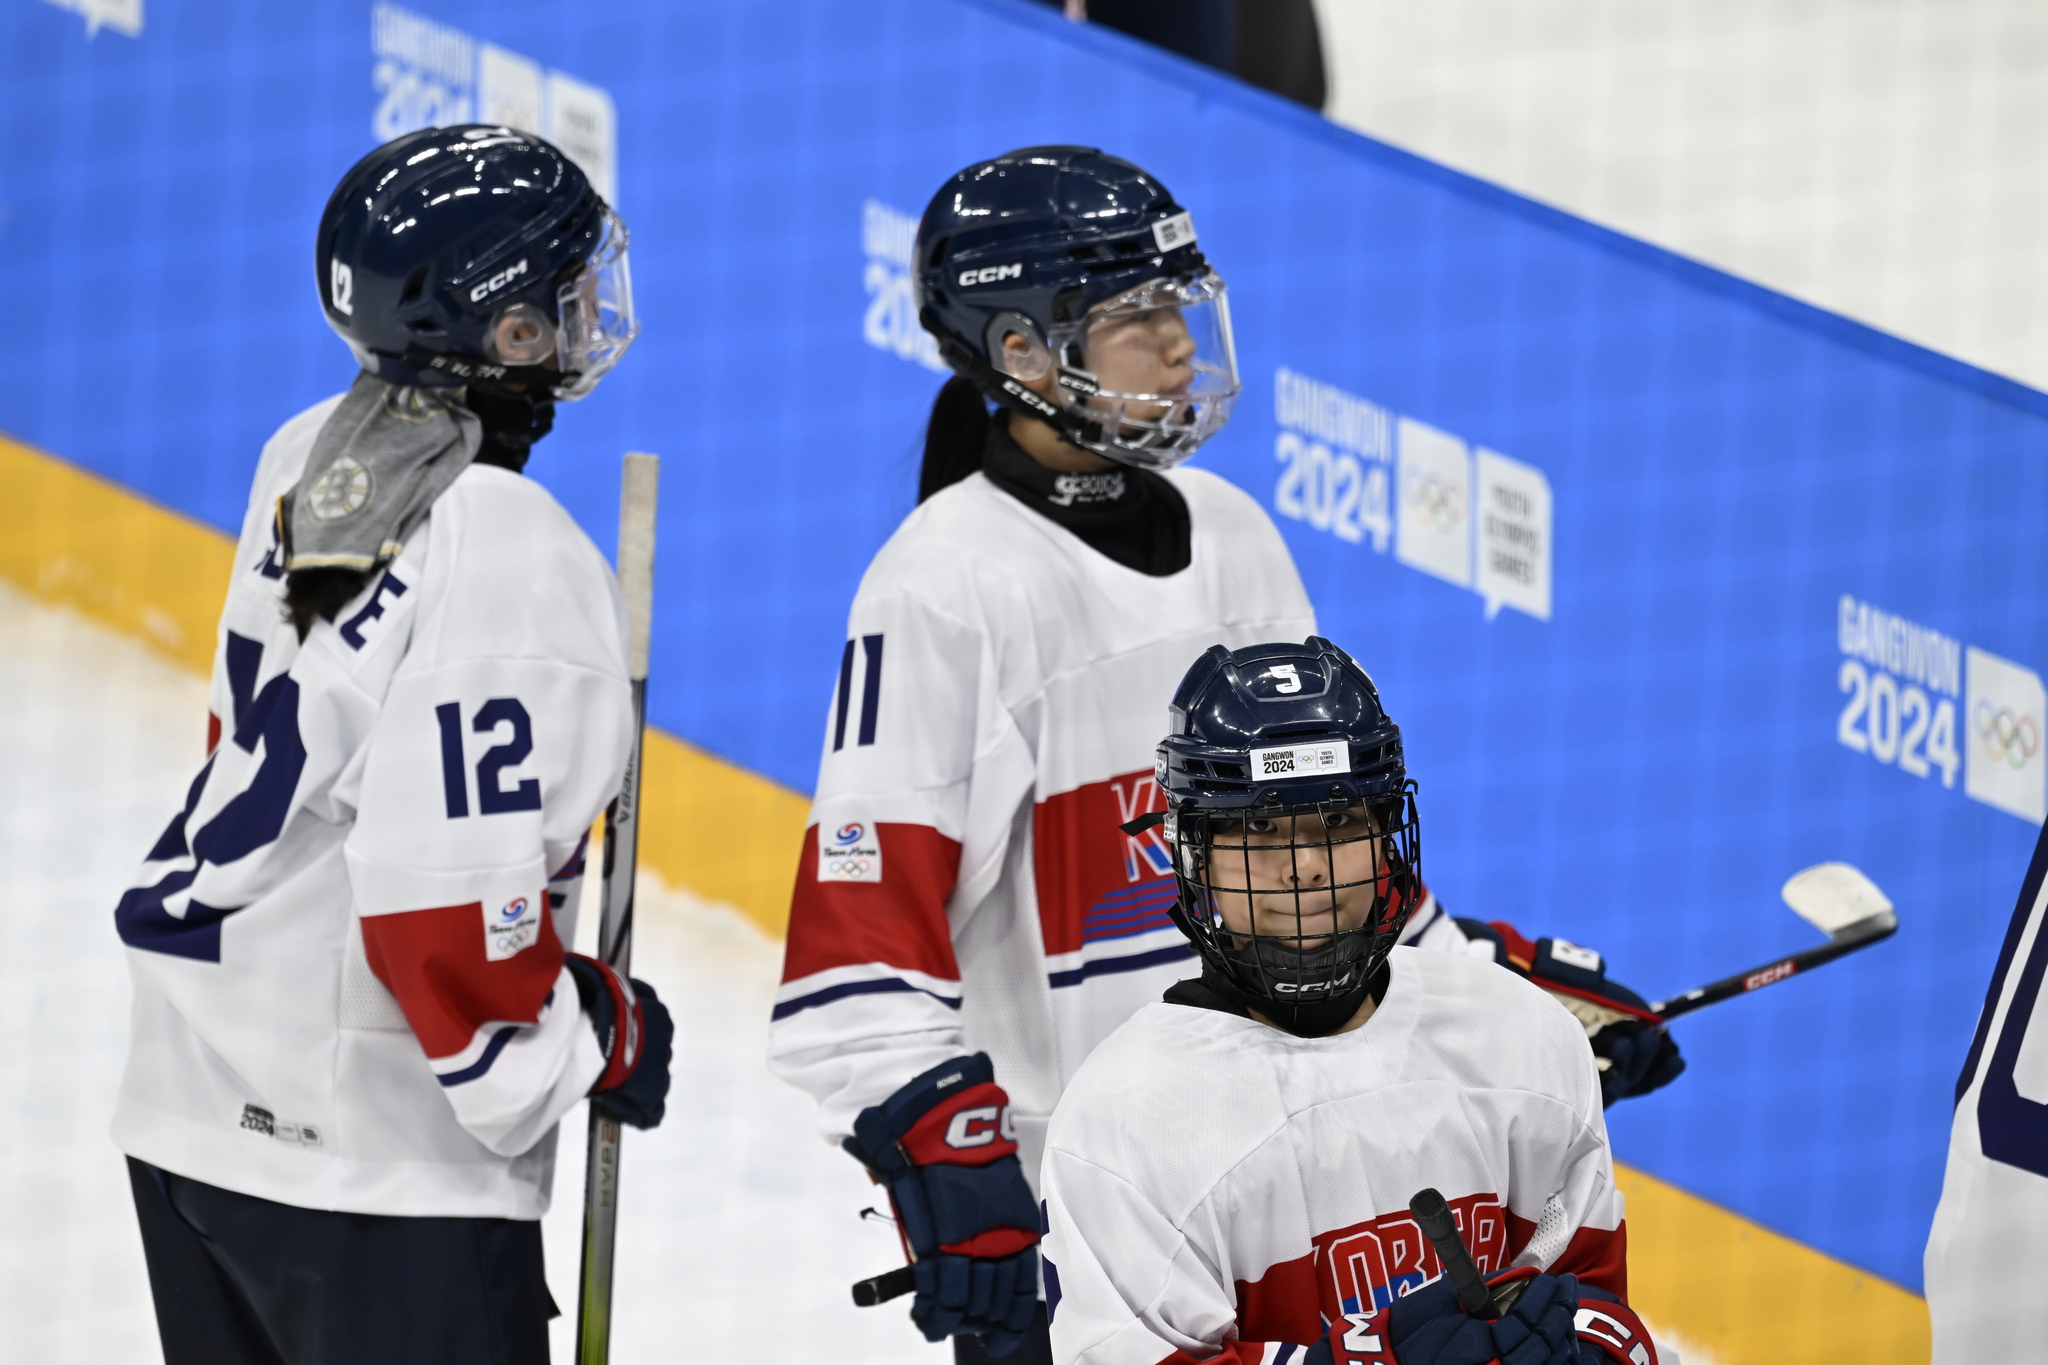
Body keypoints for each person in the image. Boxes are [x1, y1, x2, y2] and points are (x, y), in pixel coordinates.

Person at [110, 125, 670, 1365]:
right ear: (508, 331)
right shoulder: (509, 543)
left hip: (192, 1103)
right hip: (370, 1166)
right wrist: (576, 1038)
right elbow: (442, 913)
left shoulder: (309, 451)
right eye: (563, 291)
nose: (588, 309)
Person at [768, 145, 1319, 1363]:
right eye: (1134, 317)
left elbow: (1326, 841)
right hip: (1082, 1214)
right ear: (1020, 352)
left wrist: (1475, 990)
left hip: (1282, 1167)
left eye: (1179, 302)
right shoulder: (949, 582)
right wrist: (939, 1144)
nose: (1177, 342)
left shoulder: (1236, 537)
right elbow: (859, 945)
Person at [1039, 638, 1661, 1365]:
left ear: (1387, 835)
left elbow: (1595, 1298)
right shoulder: (1122, 1121)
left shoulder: (1522, 1036)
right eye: (1260, 828)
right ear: (1194, 851)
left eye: (1338, 823)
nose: (1305, 868)